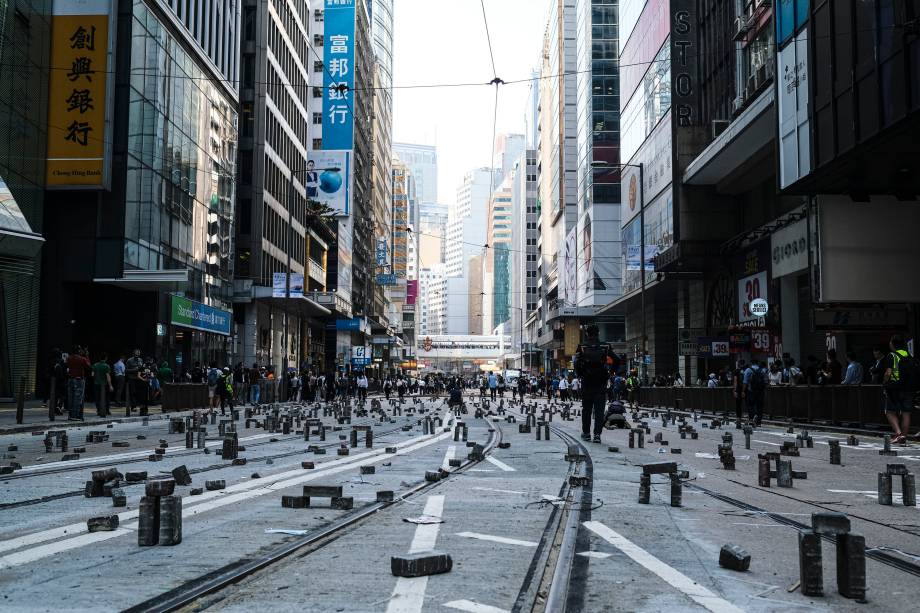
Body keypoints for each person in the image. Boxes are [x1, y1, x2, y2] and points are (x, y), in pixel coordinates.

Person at [574, 324, 613, 443]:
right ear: (598, 333)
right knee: (599, 411)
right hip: (601, 382)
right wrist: (610, 373)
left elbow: (576, 363)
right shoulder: (605, 346)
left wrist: (580, 374)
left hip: (587, 382)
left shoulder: (582, 347)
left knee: (586, 410)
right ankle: (597, 435)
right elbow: (616, 359)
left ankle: (586, 433)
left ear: (587, 334)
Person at [882, 335, 917, 444]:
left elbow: (888, 372)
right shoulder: (909, 355)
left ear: (892, 344)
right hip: (908, 388)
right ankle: (903, 437)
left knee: (889, 411)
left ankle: (898, 433)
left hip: (894, 387)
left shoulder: (892, 355)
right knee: (906, 413)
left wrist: (885, 383)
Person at [66, 346, 91, 421]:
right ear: (79, 351)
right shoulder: (82, 359)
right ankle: (76, 415)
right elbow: (88, 366)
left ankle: (70, 414)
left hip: (70, 379)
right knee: (78, 398)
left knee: (71, 397)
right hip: (79, 379)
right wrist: (86, 355)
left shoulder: (69, 358)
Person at [742, 360, 767, 425]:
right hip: (760, 391)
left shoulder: (748, 370)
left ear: (751, 363)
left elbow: (745, 382)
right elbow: (766, 380)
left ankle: (751, 419)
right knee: (760, 406)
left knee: (750, 405)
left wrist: (743, 391)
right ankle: (759, 421)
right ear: (757, 363)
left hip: (751, 391)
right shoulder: (762, 370)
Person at [125, 349, 147, 415]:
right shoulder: (129, 360)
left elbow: (142, 368)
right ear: (133, 354)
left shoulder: (141, 360)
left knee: (139, 393)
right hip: (132, 378)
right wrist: (134, 370)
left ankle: (139, 406)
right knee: (133, 392)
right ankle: (133, 406)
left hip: (139, 378)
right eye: (136, 354)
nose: (137, 355)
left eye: (138, 354)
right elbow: (126, 370)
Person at [91, 353, 113, 417]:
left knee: (97, 398)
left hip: (96, 384)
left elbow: (92, 374)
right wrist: (110, 385)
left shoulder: (95, 365)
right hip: (104, 384)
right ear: (106, 358)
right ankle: (106, 410)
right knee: (106, 398)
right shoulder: (106, 366)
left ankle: (98, 410)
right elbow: (108, 376)